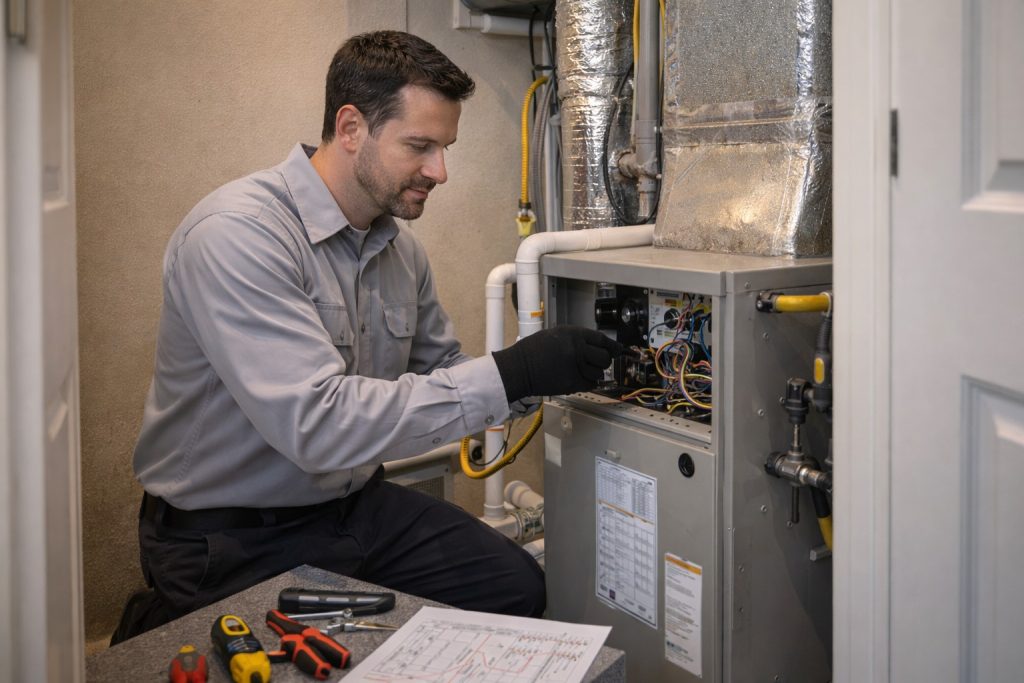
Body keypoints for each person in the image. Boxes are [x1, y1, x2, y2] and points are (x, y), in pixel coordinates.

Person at [124, 30, 620, 638]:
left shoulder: (399, 250)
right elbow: (318, 425)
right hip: (229, 535)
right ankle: (155, 623)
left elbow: (439, 369)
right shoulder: (240, 234)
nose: (439, 171)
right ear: (352, 126)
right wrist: (509, 373)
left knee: (516, 587)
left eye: (446, 148)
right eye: (421, 146)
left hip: (356, 505)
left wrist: (539, 376)